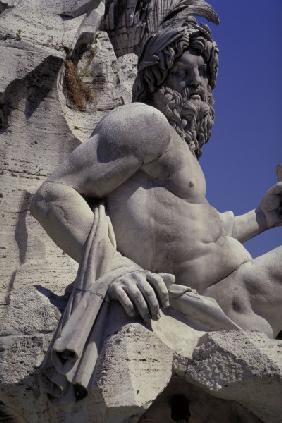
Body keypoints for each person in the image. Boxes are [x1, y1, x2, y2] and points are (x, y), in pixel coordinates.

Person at [31, 18, 282, 340]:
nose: (197, 83)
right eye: (182, 72)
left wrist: (261, 218)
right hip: (220, 302)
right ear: (155, 78)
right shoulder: (144, 123)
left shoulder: (178, 154)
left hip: (244, 297)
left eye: (203, 74)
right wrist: (114, 268)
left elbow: (197, 238)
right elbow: (52, 195)